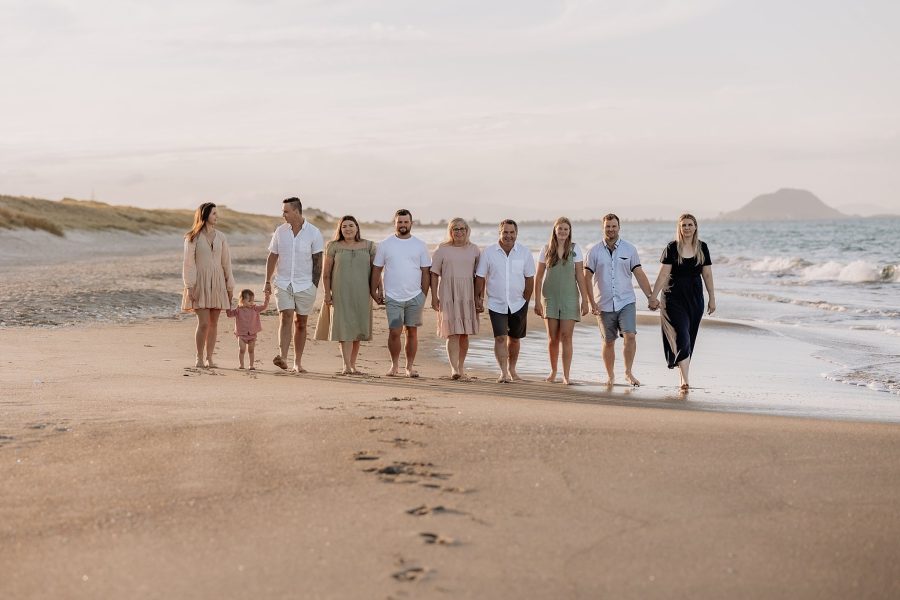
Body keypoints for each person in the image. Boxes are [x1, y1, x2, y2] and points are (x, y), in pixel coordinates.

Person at [584, 213, 654, 387]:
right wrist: (590, 302)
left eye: (614, 226)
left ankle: (628, 373)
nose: (611, 229)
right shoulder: (594, 251)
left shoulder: (630, 249)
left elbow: (639, 273)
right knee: (608, 341)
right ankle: (610, 376)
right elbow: (586, 277)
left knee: (630, 336)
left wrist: (651, 297)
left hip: (626, 301)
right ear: (603, 228)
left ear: (619, 227)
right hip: (603, 303)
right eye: (608, 226)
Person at [648, 213, 716, 392]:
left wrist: (712, 298)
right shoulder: (672, 248)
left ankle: (682, 377)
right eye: (683, 225)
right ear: (679, 228)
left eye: (690, 225)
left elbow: (707, 274)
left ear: (695, 227)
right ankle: (685, 381)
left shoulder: (702, 248)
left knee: (689, 337)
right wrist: (653, 297)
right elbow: (663, 274)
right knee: (682, 337)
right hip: (673, 299)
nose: (687, 228)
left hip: (695, 300)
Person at [264, 197, 324, 373]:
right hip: (282, 282)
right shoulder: (280, 232)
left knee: (301, 323)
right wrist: (267, 281)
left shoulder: (314, 232)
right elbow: (272, 256)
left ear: (297, 211)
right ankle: (282, 356)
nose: (283, 214)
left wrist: (314, 286)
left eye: (286, 211)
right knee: (286, 316)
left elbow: (318, 262)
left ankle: (297, 362)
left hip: (305, 284)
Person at [370, 209, 431, 378]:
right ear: (394, 223)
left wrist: (423, 295)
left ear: (411, 223)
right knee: (394, 332)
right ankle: (394, 365)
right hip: (393, 297)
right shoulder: (385, 244)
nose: (403, 225)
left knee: (412, 332)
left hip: (414, 297)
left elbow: (426, 272)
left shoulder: (420, 245)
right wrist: (373, 290)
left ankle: (410, 367)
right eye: (400, 222)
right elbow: (377, 269)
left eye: (406, 222)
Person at [475, 219, 536, 383]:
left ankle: (512, 369)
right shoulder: (488, 252)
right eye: (505, 232)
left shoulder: (524, 252)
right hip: (496, 303)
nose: (508, 236)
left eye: (512, 232)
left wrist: (525, 300)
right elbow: (480, 277)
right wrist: (478, 298)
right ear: (500, 233)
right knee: (500, 338)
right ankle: (503, 372)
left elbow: (530, 279)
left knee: (515, 339)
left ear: (516, 233)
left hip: (518, 303)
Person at [534, 217, 591, 385]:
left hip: (570, 298)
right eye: (560, 229)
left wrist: (585, 300)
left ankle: (566, 375)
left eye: (566, 229)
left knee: (566, 337)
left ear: (570, 231)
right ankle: (553, 372)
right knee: (553, 338)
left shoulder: (575, 249)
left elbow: (580, 276)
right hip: (550, 298)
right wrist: (537, 301)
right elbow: (538, 278)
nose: (563, 232)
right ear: (555, 230)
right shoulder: (546, 249)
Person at [182, 202, 235, 368]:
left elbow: (226, 263)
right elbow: (188, 263)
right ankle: (199, 357)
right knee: (203, 323)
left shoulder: (221, 237)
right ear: (204, 216)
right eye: (214, 214)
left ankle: (209, 358)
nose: (216, 216)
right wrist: (190, 286)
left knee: (214, 323)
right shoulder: (192, 237)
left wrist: (229, 286)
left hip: (218, 282)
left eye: (216, 213)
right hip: (200, 282)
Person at [322, 215, 377, 375]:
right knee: (344, 328)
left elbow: (375, 271)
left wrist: (377, 290)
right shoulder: (333, 246)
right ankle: (346, 366)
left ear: (357, 227)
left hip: (362, 292)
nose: (348, 229)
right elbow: (326, 274)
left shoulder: (369, 246)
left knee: (358, 329)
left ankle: (353, 365)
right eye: (344, 226)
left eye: (351, 225)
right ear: (340, 229)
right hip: (340, 292)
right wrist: (327, 293)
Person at [430, 218, 481, 380]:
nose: (459, 232)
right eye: (455, 229)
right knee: (452, 332)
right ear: (450, 231)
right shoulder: (442, 249)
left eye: (462, 229)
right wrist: (433, 297)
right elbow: (434, 274)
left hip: (467, 294)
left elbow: (480, 276)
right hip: (448, 293)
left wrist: (479, 297)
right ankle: (454, 369)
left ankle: (461, 367)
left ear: (467, 231)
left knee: (464, 333)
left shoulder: (474, 250)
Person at [225, 288, 271, 369]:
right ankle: (241, 365)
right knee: (242, 349)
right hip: (241, 334)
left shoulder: (254, 308)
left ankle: (251, 365)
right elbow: (229, 314)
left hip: (252, 334)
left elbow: (264, 307)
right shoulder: (238, 310)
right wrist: (228, 303)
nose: (251, 302)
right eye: (249, 300)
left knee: (251, 350)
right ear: (242, 300)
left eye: (252, 300)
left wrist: (267, 298)